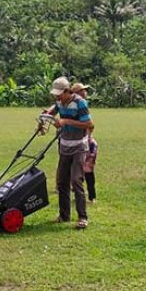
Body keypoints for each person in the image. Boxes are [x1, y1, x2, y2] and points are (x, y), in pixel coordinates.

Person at [47, 77, 93, 228]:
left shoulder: (80, 103)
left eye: (60, 94)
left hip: (79, 147)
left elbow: (89, 124)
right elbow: (50, 112)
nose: (57, 97)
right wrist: (44, 120)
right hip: (65, 146)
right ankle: (64, 215)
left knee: (76, 180)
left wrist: (66, 122)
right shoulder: (59, 102)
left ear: (68, 91)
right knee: (61, 181)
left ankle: (83, 217)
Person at [71, 83, 98, 203]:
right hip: (77, 142)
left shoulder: (83, 105)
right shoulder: (74, 106)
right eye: (82, 90)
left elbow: (90, 125)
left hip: (87, 142)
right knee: (76, 170)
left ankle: (91, 196)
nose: (85, 92)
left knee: (87, 170)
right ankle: (78, 193)